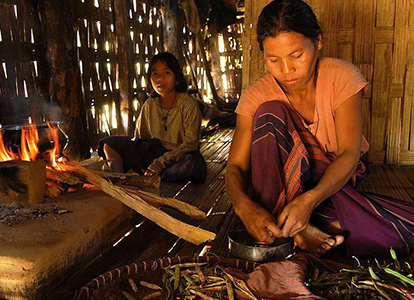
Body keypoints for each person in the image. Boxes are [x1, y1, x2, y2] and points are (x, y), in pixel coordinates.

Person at [225, 0, 414, 257]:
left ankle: (293, 226)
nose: (287, 70)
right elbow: (235, 167)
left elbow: (349, 152)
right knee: (270, 113)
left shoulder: (341, 78)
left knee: (403, 228)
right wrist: (243, 206)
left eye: (297, 56)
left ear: (319, 41)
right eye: (273, 60)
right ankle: (298, 225)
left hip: (331, 189)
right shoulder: (256, 96)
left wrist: (309, 200)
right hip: (277, 189)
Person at [98, 52, 207, 183]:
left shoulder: (188, 104)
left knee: (194, 164)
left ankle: (153, 175)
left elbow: (190, 144)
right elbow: (140, 139)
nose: (159, 78)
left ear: (177, 78)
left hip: (179, 156)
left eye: (166, 73)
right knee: (109, 143)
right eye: (155, 73)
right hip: (153, 153)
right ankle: (120, 179)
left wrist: (161, 163)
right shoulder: (150, 104)